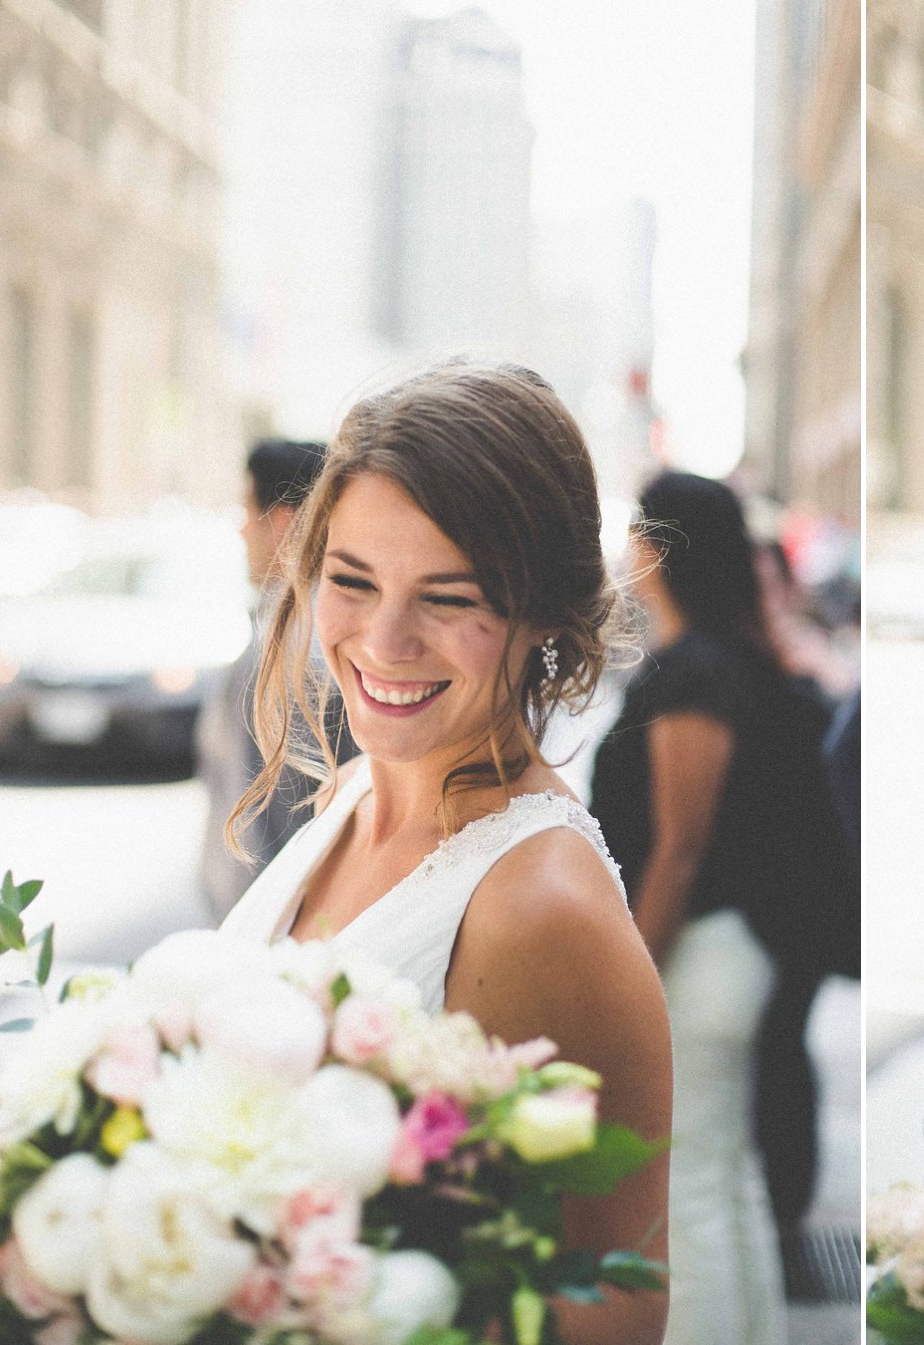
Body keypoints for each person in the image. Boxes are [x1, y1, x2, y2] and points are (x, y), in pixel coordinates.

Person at [218, 361, 671, 1345]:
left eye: (448, 597)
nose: (385, 640)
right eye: (352, 580)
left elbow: (623, 1304)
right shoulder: (345, 794)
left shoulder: (537, 904)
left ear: (543, 615)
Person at [592, 471, 838, 1345]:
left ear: (662, 548)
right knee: (724, 1177)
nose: (625, 554)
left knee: (689, 1183)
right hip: (737, 945)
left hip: (702, 949)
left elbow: (679, 844)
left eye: (634, 534)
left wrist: (633, 973)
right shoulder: (733, 657)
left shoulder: (693, 670)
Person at [197, 438, 336, 921]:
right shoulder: (315, 636)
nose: (239, 532)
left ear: (282, 524)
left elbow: (253, 833)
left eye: (246, 511)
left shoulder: (285, 652)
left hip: (262, 933)